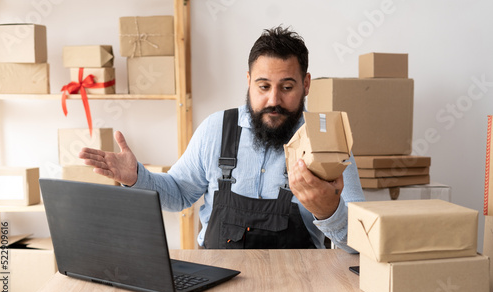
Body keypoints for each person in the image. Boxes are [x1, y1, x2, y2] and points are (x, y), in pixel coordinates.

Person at [79, 26, 365, 250]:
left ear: (306, 84)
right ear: (248, 81)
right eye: (263, 86)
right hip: (217, 284)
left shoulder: (328, 143)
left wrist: (330, 212)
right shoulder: (216, 129)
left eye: (287, 87)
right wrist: (136, 177)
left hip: (298, 288)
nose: (273, 100)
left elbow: (359, 243)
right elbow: (178, 193)